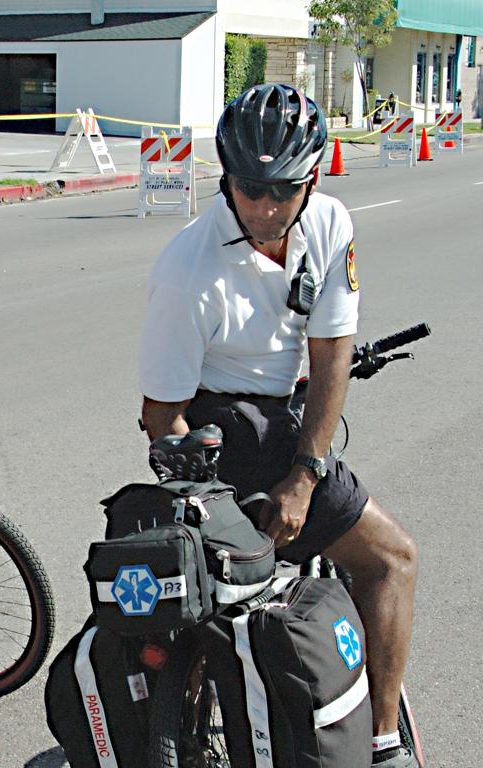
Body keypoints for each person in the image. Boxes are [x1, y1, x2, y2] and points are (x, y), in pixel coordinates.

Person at [137, 84, 418, 768]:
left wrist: (305, 473)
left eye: (283, 190)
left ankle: (372, 738)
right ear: (225, 179)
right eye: (249, 188)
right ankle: (384, 747)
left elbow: (331, 355)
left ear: (313, 180)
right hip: (216, 431)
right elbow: (160, 413)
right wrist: (213, 506)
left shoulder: (329, 223)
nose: (264, 207)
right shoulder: (186, 272)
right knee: (391, 561)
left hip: (291, 426)